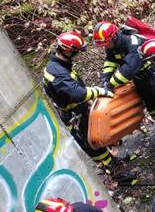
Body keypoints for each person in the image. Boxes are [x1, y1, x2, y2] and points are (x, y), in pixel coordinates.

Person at [42, 31, 138, 185]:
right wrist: (98, 91)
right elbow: (77, 93)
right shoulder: (57, 72)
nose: (77, 55)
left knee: (98, 138)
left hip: (78, 110)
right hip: (74, 114)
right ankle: (118, 173)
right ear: (67, 50)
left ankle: (114, 162)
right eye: (76, 52)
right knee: (93, 145)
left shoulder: (59, 65)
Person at [92, 21, 155, 147]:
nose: (105, 46)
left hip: (153, 74)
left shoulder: (132, 42)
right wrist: (105, 79)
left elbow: (128, 70)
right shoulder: (112, 46)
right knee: (151, 106)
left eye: (106, 43)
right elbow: (110, 62)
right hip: (139, 79)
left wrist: (110, 84)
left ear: (114, 36)